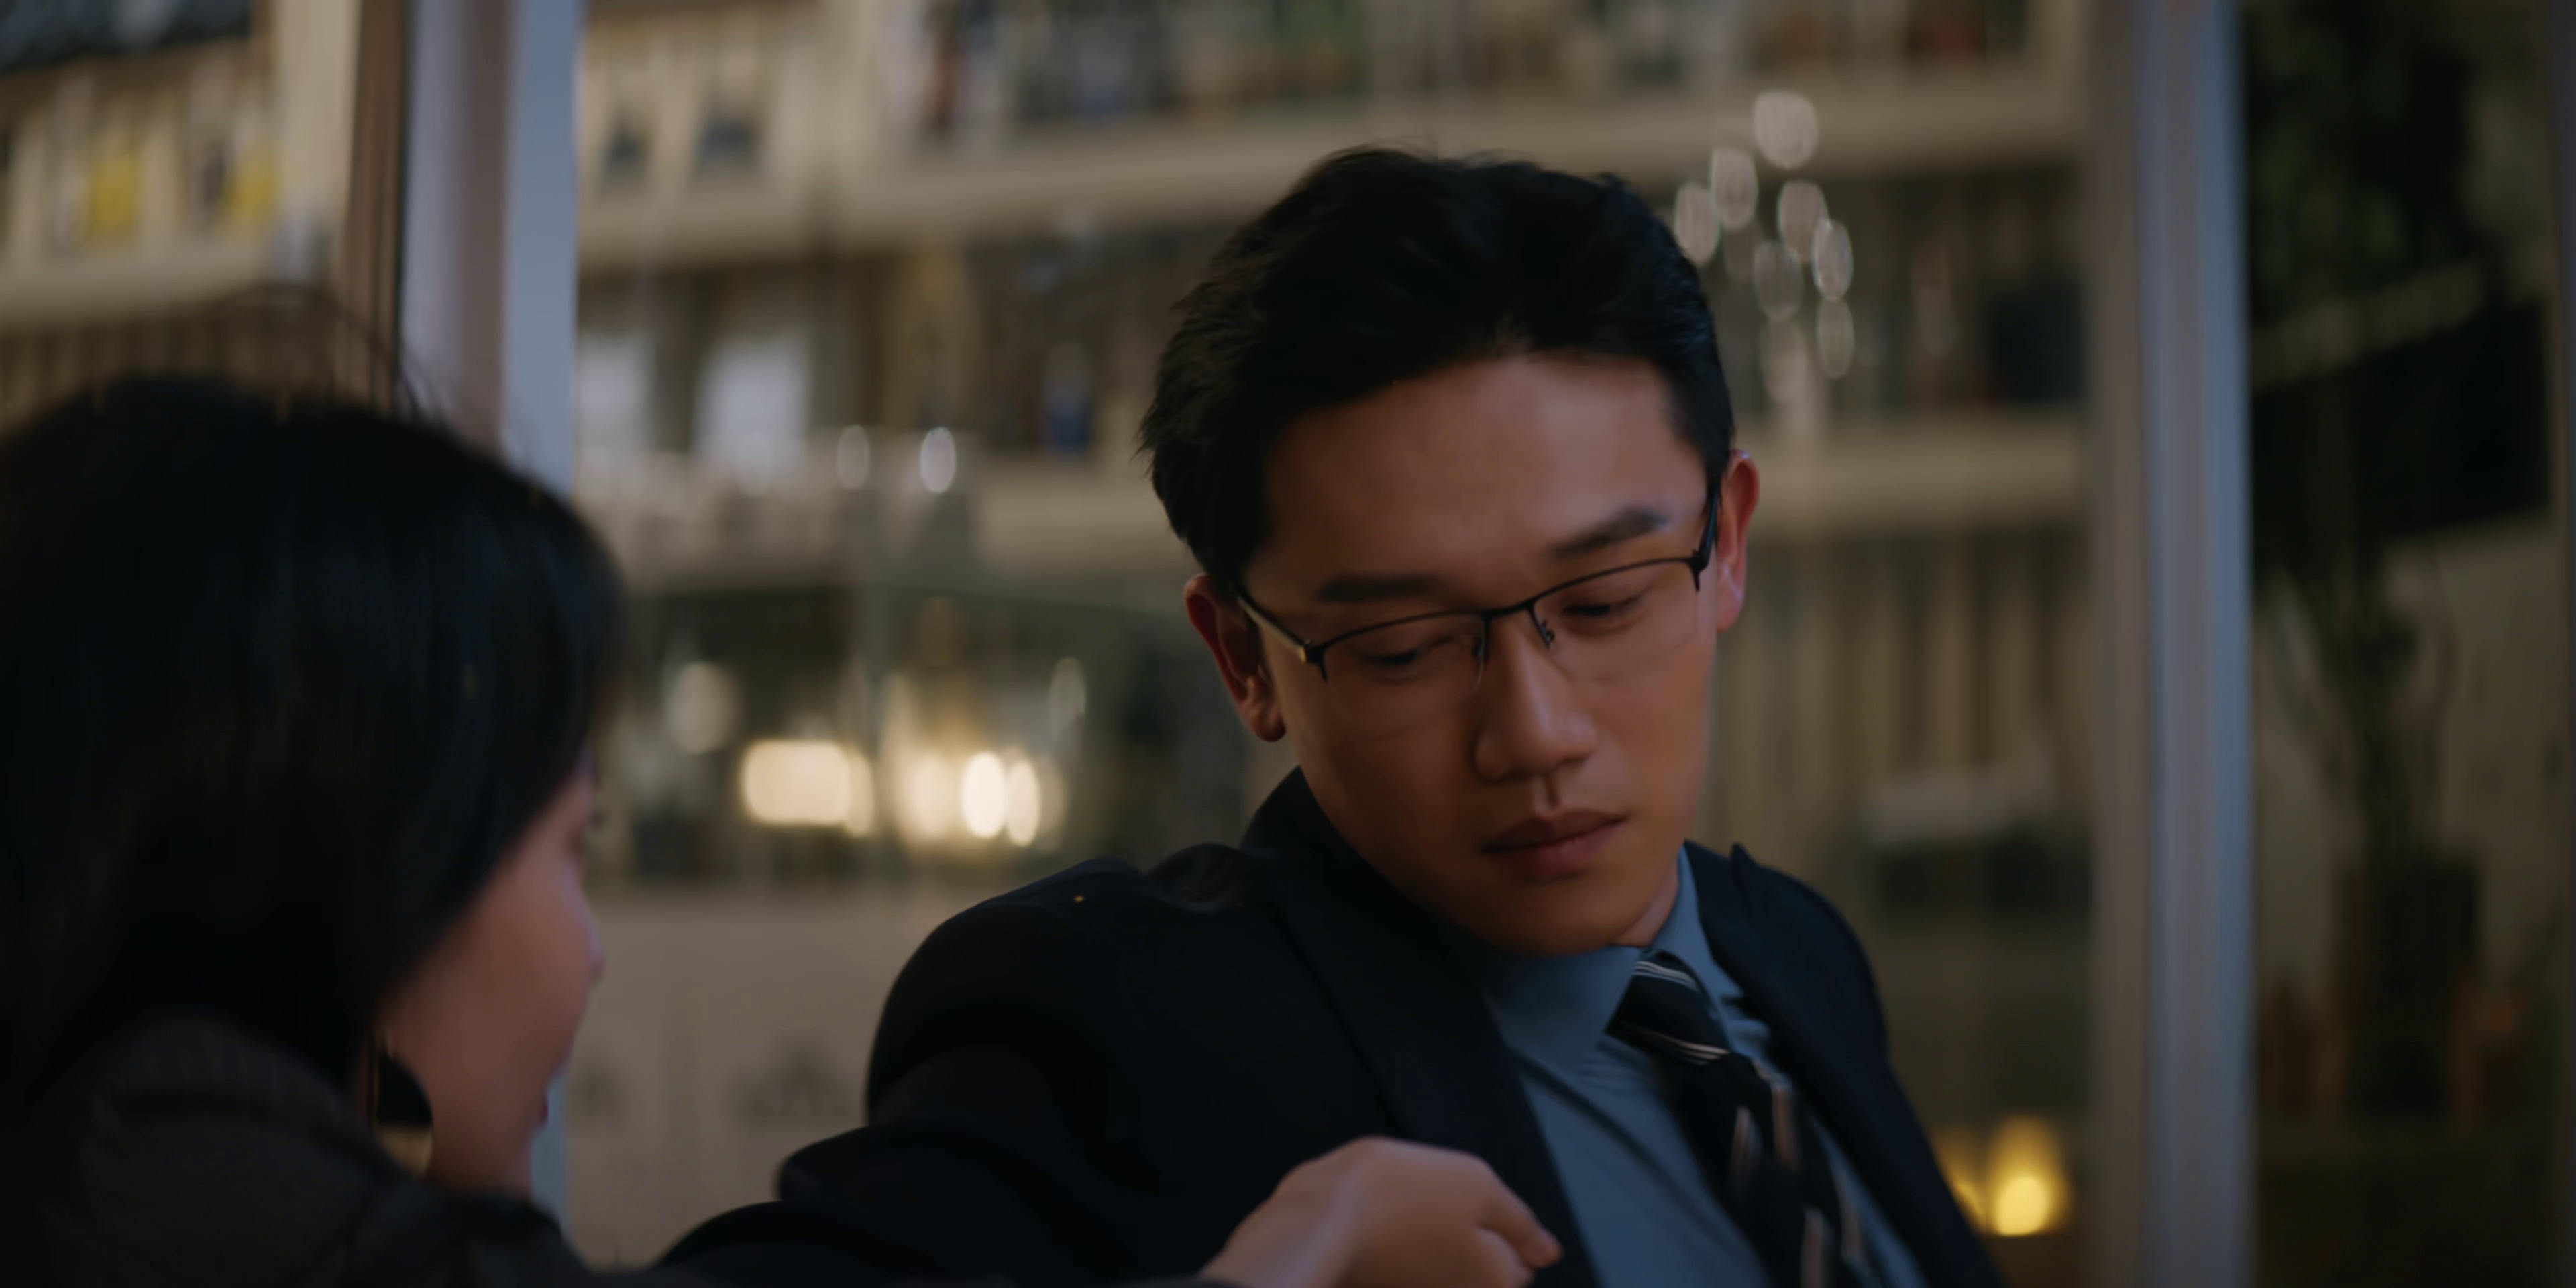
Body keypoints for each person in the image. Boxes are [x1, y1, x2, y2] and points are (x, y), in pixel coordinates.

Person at [674, 150, 2006, 1288]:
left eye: (1603, 601)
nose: (1534, 733)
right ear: (1242, 657)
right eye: (1405, 647)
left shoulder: (1792, 954)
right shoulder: (1127, 1031)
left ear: (1728, 545)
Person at [0, 372, 1561, 1288]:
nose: (592, 950)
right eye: (575, 845)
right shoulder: (183, 1200)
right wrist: (1300, 1254)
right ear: (363, 865)